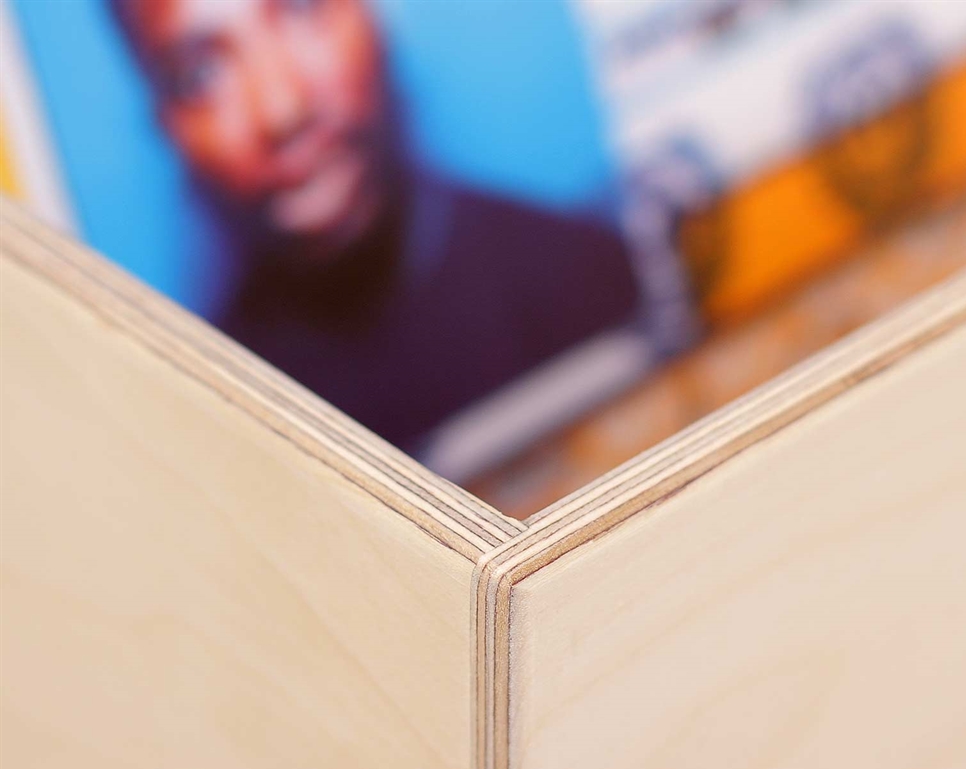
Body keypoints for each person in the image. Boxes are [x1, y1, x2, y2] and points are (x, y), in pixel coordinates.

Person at [109, 0, 639, 453]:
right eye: (199, 75)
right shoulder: (203, 439)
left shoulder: (590, 280)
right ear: (165, 125)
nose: (282, 109)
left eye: (301, 7)